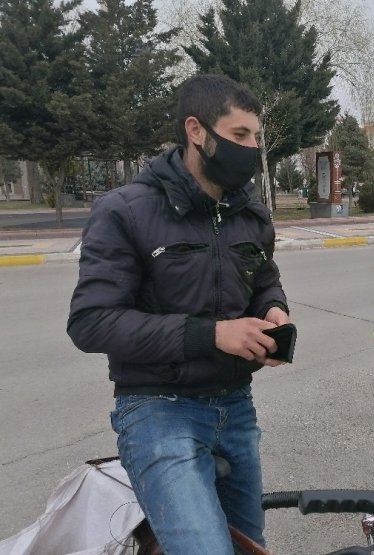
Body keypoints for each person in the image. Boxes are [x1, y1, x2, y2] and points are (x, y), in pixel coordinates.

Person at [67, 74, 289, 554]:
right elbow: (91, 321)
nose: (251, 149)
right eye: (239, 136)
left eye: (256, 138)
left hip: (235, 406)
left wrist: (274, 310)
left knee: (249, 545)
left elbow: (264, 277)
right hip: (156, 409)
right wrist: (210, 335)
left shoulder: (249, 213)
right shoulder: (125, 210)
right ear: (196, 131)